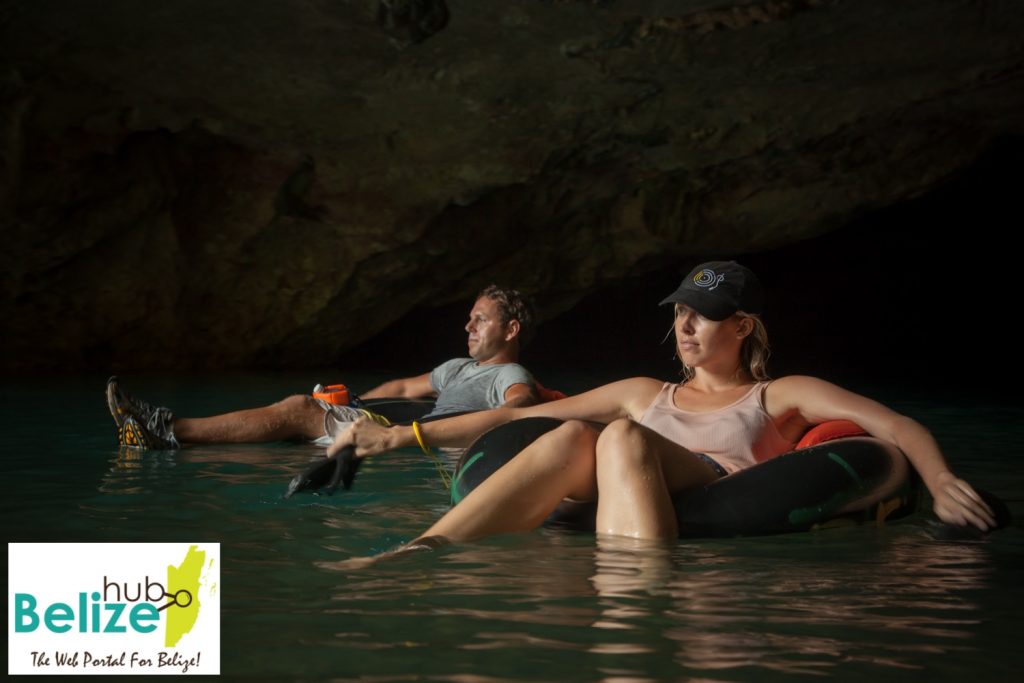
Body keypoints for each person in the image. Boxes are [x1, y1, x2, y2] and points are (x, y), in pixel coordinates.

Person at [331, 261, 996, 553]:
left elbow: (892, 425)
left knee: (620, 438)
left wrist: (941, 483)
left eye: (702, 314)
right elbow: (514, 420)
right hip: (621, 501)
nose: (685, 325)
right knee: (573, 436)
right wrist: (400, 438)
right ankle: (421, 549)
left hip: (718, 492)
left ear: (742, 325)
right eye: (679, 312)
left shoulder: (778, 393)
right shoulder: (643, 392)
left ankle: (640, 618)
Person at [107, 285, 539, 450]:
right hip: (400, 427)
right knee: (296, 420)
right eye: (469, 318)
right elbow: (404, 389)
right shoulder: (457, 367)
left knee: (298, 409)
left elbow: (519, 408)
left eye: (480, 320)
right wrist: (354, 403)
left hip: (417, 442)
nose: (468, 326)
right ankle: (169, 437)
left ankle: (167, 428)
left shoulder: (510, 375)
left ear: (511, 330)